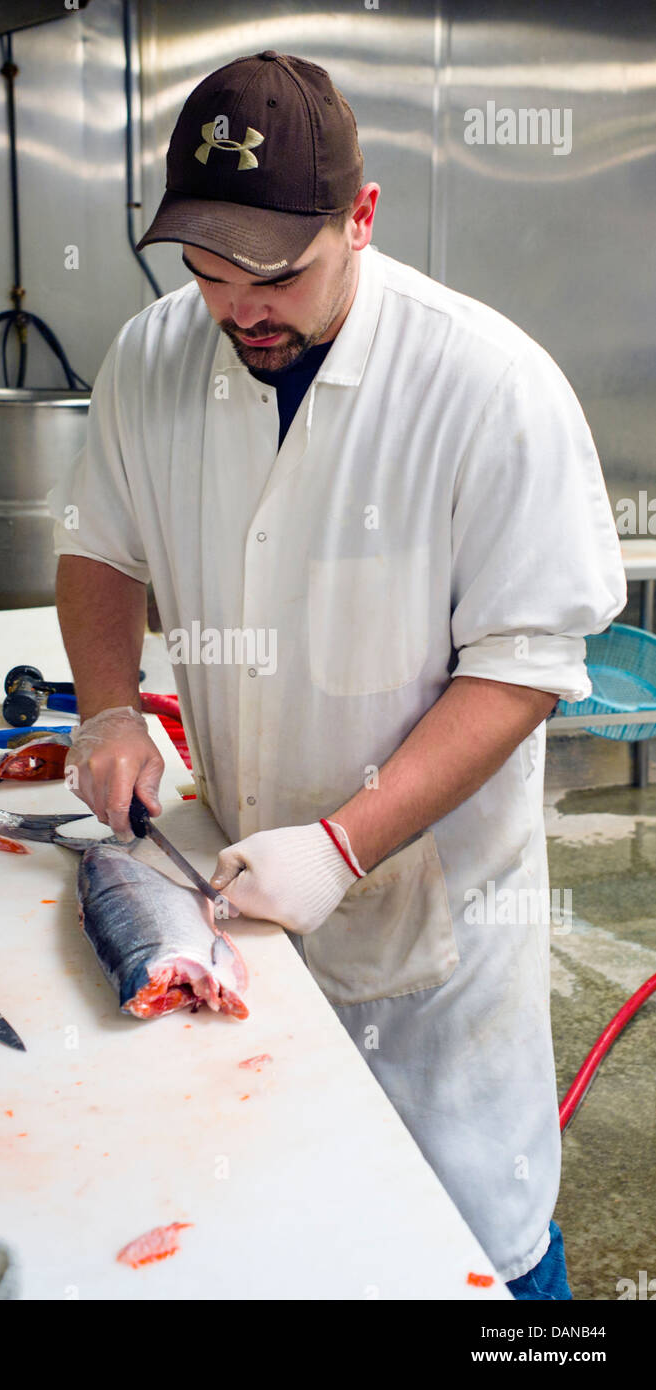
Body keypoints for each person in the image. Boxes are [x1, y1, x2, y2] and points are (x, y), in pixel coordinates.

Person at [49, 50, 626, 1297]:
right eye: (210, 275)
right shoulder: (154, 357)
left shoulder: (486, 387)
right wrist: (104, 705)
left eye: (281, 276)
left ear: (359, 221)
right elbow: (100, 547)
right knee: (283, 1237)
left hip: (425, 941)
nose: (242, 310)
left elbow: (522, 671)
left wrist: (348, 843)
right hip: (236, 893)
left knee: (468, 1250)